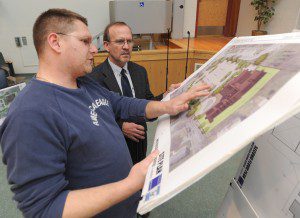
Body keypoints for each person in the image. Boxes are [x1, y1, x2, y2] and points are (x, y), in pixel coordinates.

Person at [0, 9, 210, 218]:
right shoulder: (29, 114)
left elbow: (121, 103)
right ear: (55, 42)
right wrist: (130, 184)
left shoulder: (84, 83)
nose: (93, 49)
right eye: (85, 41)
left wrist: (167, 105)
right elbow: (44, 210)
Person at [90, 22, 179, 164]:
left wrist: (165, 95)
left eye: (129, 41)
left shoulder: (139, 71)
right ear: (106, 46)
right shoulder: (94, 77)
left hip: (140, 145)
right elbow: (93, 117)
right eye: (120, 41)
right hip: (113, 148)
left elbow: (147, 102)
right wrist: (121, 127)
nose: (126, 47)